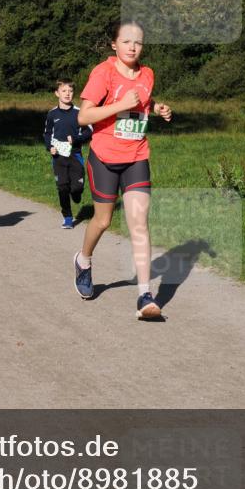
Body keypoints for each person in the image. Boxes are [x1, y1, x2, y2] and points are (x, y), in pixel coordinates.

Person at [74, 20, 173, 320]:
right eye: (126, 41)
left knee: (139, 224)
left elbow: (143, 99)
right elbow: (84, 116)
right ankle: (84, 260)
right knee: (102, 222)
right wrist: (118, 106)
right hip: (104, 157)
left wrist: (156, 108)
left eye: (138, 42)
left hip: (136, 156)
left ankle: (145, 295)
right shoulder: (102, 73)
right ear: (114, 44)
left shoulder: (147, 74)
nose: (133, 47)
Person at [43, 79, 92, 228]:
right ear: (57, 93)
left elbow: (89, 131)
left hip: (75, 156)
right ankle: (68, 217)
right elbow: (47, 133)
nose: (67, 94)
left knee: (76, 188)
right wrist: (49, 146)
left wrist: (76, 139)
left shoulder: (79, 112)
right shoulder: (52, 114)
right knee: (62, 187)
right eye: (64, 91)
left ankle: (76, 193)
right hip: (58, 157)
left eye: (70, 91)